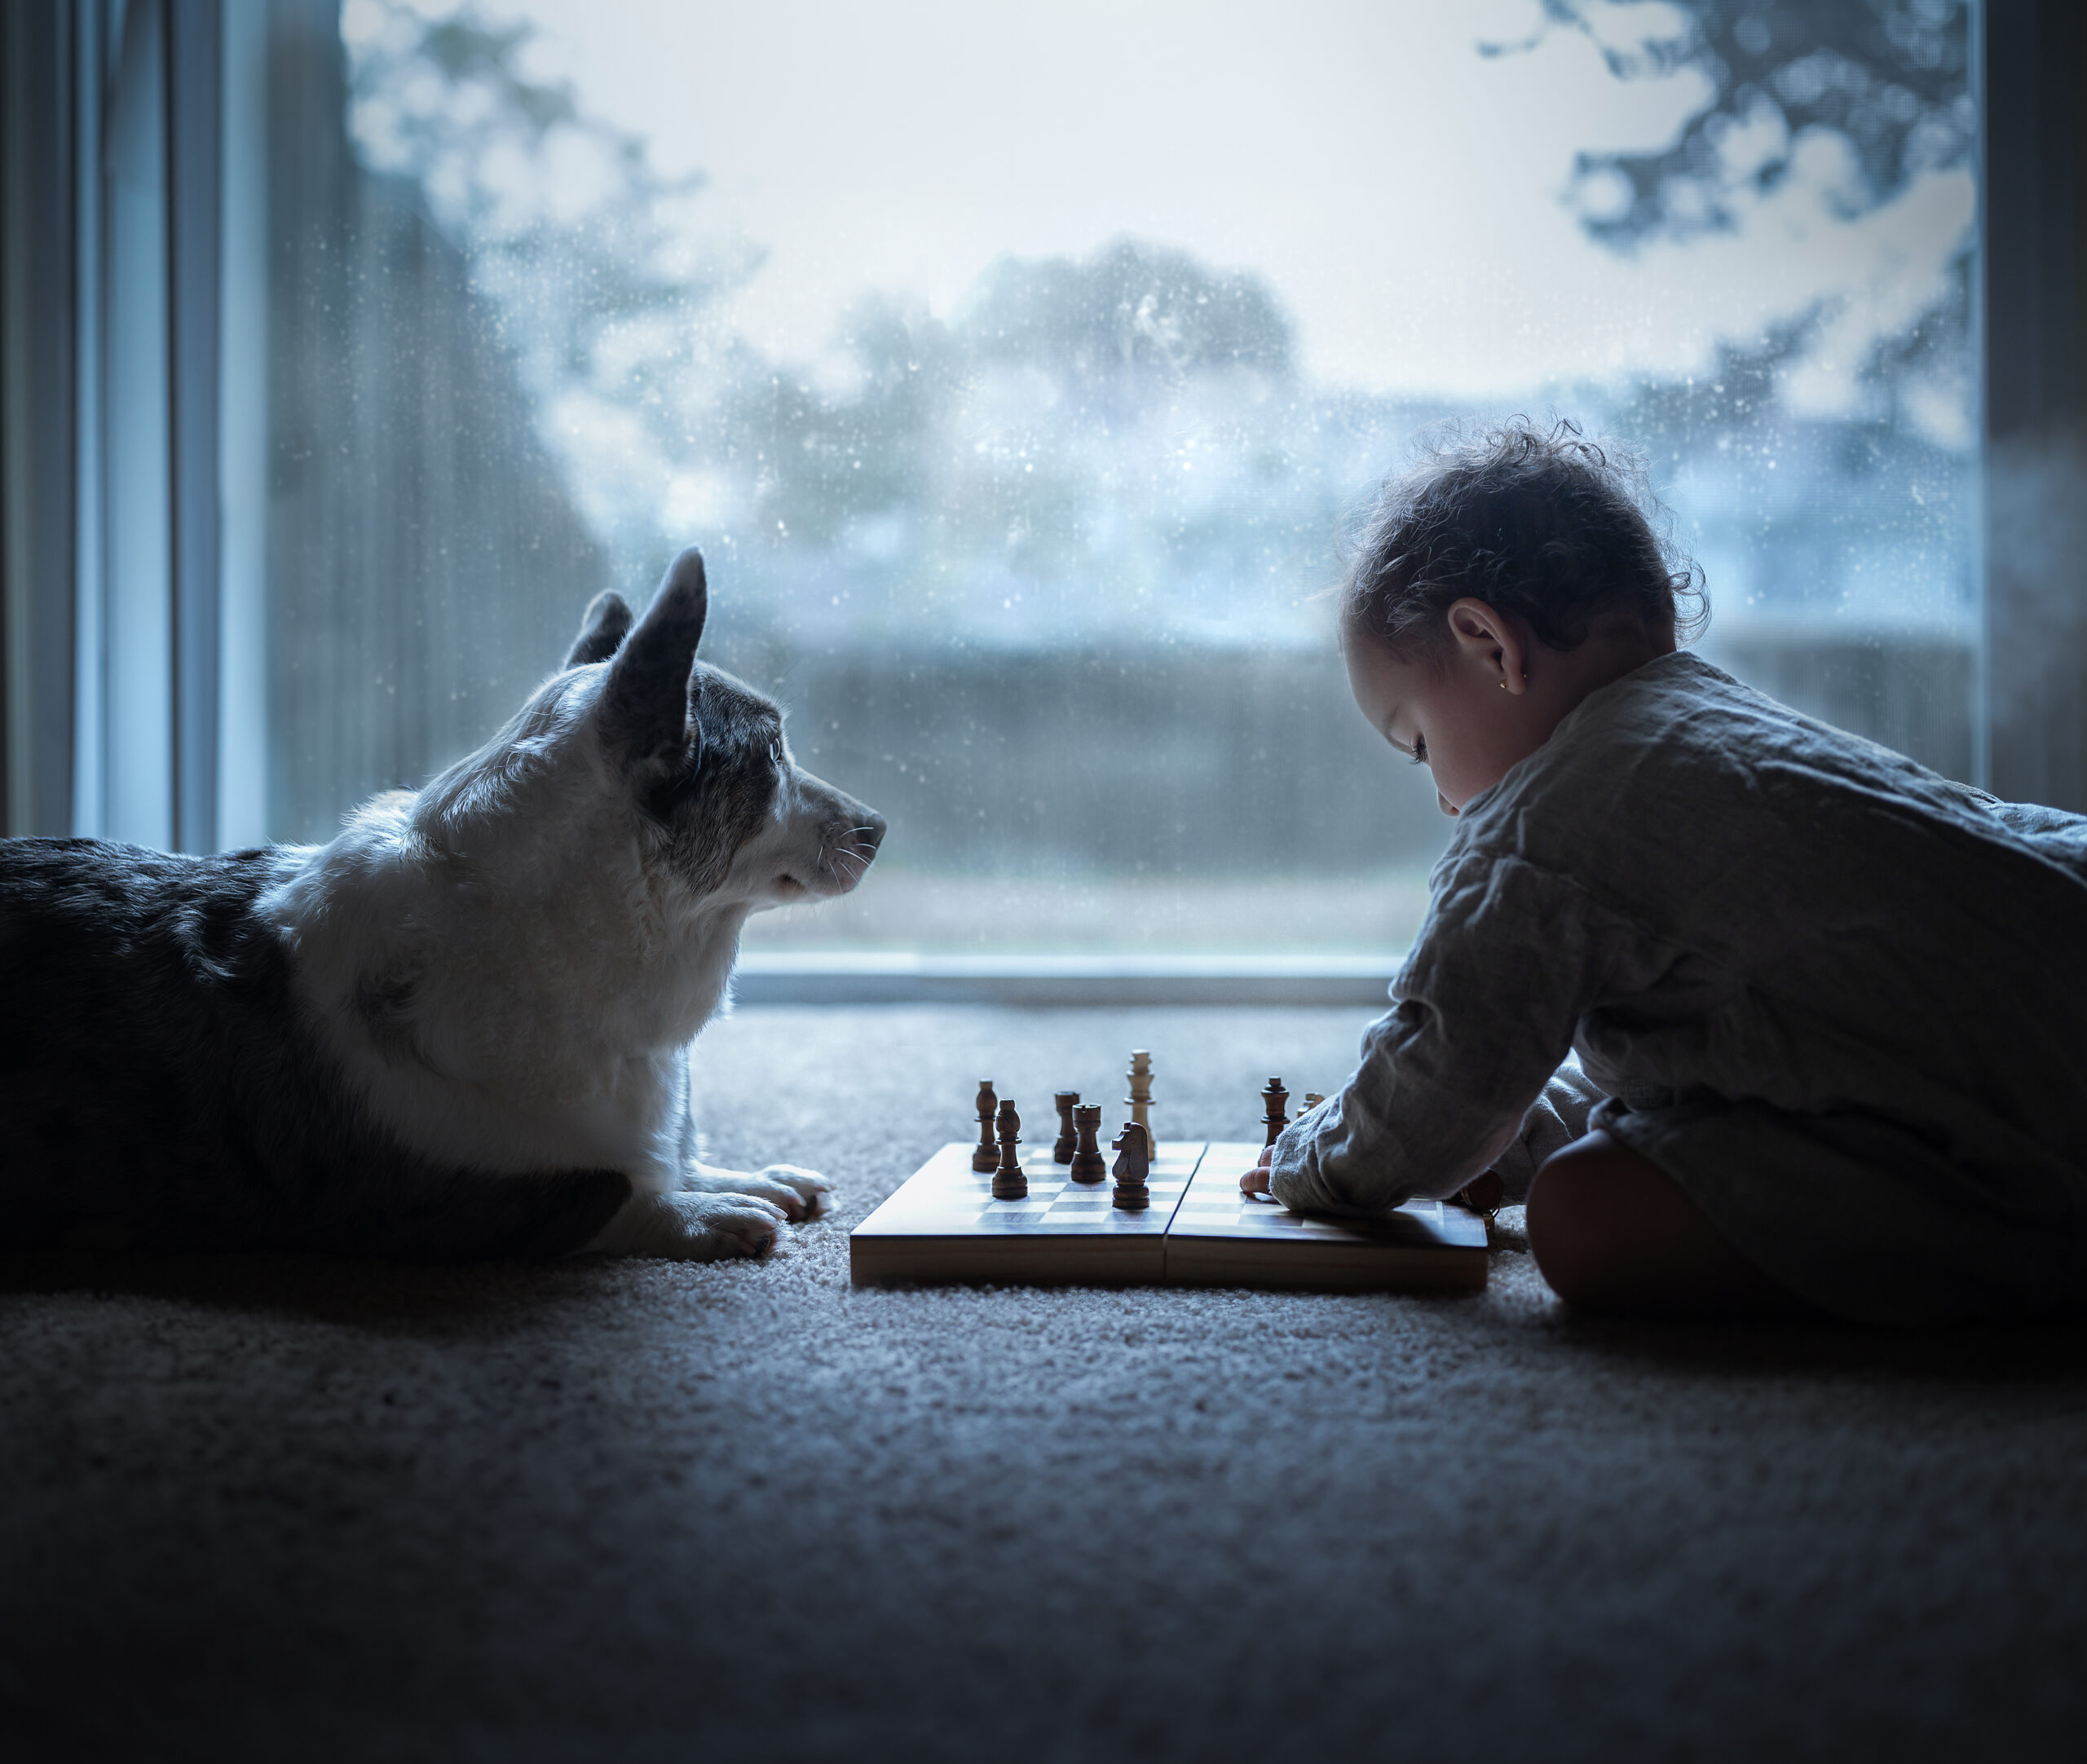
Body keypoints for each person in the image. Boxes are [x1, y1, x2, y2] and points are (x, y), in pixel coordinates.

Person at [1243, 418, 2087, 1324]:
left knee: (1583, 1211)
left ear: (1490, 646)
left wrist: (1315, 1159)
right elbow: (1683, 1055)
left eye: (1417, 743)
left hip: (2028, 1130)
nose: (1444, 798)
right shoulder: (1716, 734)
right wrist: (1518, 1138)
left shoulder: (1539, 824)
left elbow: (1444, 1073)